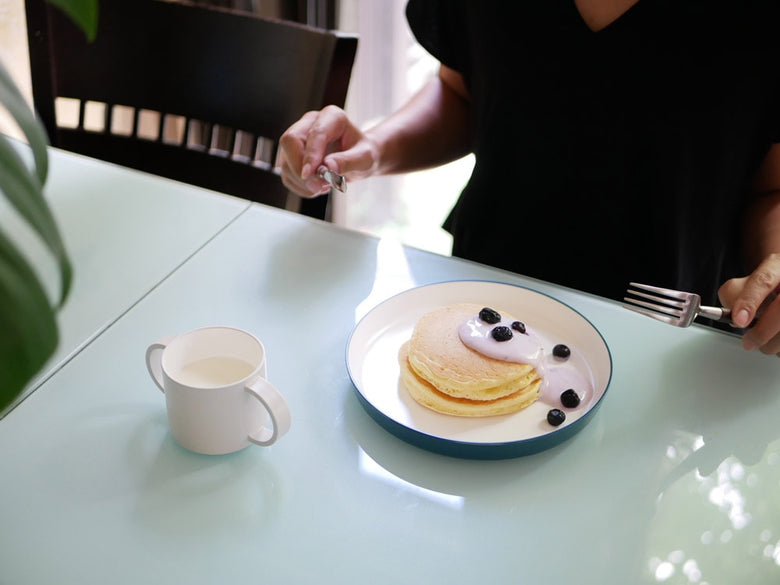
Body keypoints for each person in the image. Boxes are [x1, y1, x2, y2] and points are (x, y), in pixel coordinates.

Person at [278, 0, 780, 357]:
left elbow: (770, 187)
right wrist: (373, 150)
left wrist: (773, 272)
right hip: (487, 296)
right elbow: (464, 93)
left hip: (666, 332)